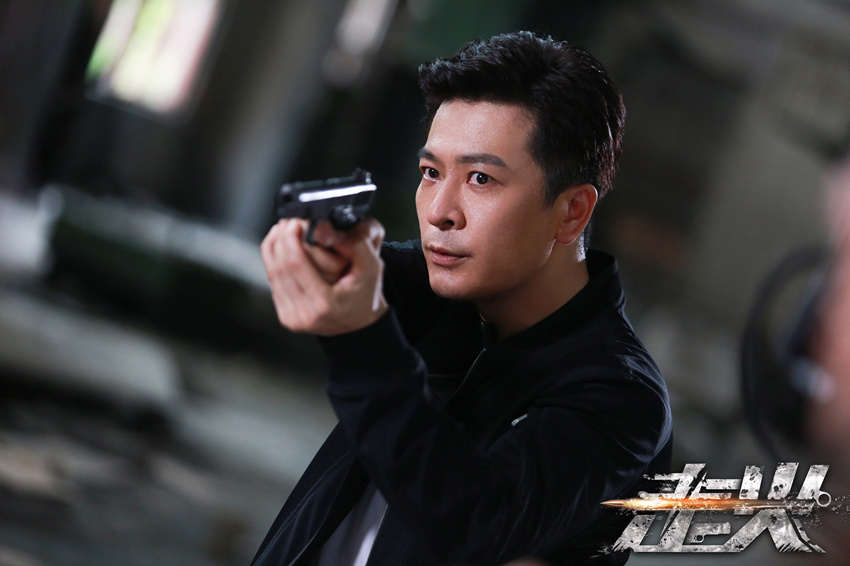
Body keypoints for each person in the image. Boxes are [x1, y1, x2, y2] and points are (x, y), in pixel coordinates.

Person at [253, 31, 673, 566]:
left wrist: (363, 340)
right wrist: (319, 251)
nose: (439, 211)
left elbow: (477, 525)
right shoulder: (440, 296)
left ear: (571, 212)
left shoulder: (621, 398)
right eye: (431, 173)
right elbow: (371, 268)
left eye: (480, 178)